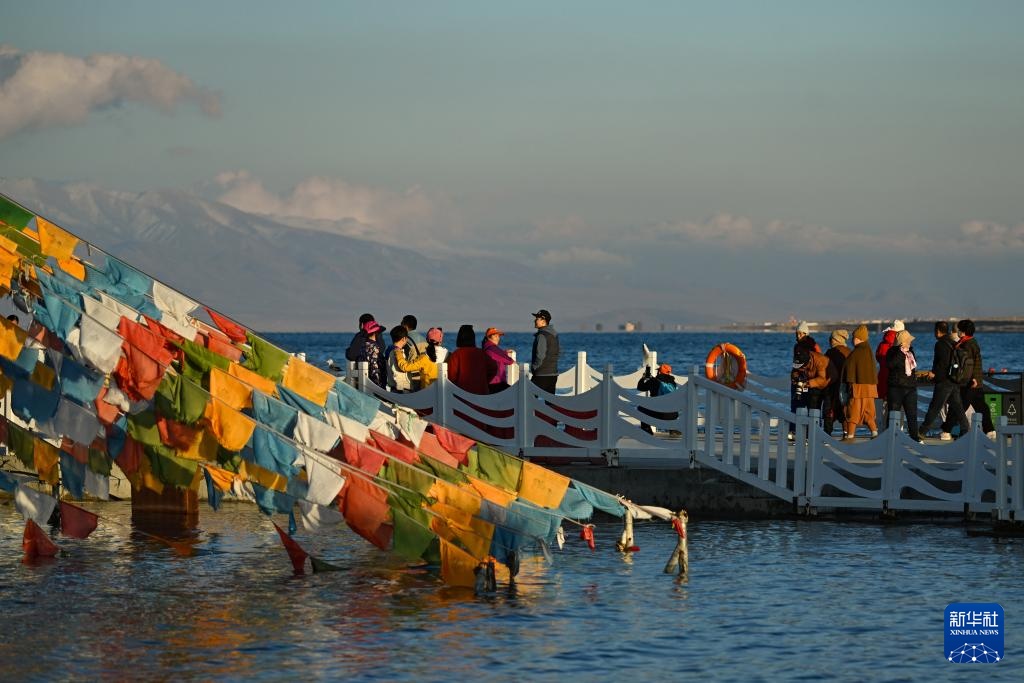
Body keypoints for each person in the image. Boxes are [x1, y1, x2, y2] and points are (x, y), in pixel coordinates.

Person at [941, 319, 996, 439]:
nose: (958, 331)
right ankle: (990, 430)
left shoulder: (968, 344)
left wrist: (975, 379)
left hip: (970, 382)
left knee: (958, 406)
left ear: (964, 331)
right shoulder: (966, 342)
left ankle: (946, 431)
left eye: (959, 330)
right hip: (973, 382)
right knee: (981, 407)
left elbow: (971, 364)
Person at [918, 320, 970, 440]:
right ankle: (966, 429)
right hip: (954, 380)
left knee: (934, 407)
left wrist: (934, 374)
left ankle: (921, 432)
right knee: (958, 407)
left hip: (944, 382)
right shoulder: (952, 342)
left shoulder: (940, 344)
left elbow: (942, 364)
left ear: (937, 331)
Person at [885, 330, 923, 443]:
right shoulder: (892, 351)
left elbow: (912, 369)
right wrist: (899, 352)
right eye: (908, 341)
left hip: (910, 388)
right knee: (893, 414)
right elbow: (890, 365)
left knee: (912, 415)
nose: (910, 342)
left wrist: (906, 352)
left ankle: (914, 438)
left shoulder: (911, 352)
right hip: (896, 388)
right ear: (902, 342)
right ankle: (890, 438)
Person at [842, 325, 879, 440]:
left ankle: (850, 436)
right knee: (868, 412)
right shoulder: (868, 351)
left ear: (859, 338)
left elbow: (849, 369)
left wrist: (847, 384)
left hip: (858, 388)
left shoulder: (857, 352)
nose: (852, 340)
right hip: (870, 388)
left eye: (854, 337)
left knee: (853, 411)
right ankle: (874, 433)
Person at [789, 336, 829, 439]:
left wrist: (807, 383)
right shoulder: (799, 357)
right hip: (810, 382)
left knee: (814, 408)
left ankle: (815, 433)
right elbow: (795, 371)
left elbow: (822, 379)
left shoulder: (820, 360)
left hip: (824, 385)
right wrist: (796, 379)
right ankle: (799, 432)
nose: (801, 368)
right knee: (799, 406)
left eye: (802, 366)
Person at [446, 324, 494, 395]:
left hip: (462, 396)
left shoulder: (456, 355)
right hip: (481, 395)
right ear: (473, 338)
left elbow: (451, 377)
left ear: (459, 338)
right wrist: (484, 381)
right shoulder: (482, 353)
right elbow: (494, 368)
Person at [636, 363, 679, 435]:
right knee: (668, 405)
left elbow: (640, 387)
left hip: (659, 414)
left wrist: (643, 378)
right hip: (673, 415)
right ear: (669, 372)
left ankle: (647, 430)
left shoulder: (653, 381)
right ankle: (673, 429)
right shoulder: (673, 383)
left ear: (659, 372)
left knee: (641, 408)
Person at [823, 329, 851, 436]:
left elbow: (824, 369)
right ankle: (846, 433)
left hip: (832, 386)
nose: (829, 341)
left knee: (829, 411)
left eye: (831, 339)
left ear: (835, 340)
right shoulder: (849, 351)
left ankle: (827, 434)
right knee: (844, 411)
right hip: (846, 386)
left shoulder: (830, 353)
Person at [345, 318, 386, 388]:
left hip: (363, 381)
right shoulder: (374, 347)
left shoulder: (363, 346)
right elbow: (375, 369)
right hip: (374, 384)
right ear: (376, 333)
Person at [875, 320, 904, 418]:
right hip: (896, 379)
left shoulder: (882, 344)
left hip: (883, 376)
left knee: (882, 407)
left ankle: (882, 430)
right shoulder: (900, 344)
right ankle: (896, 430)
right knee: (896, 408)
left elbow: (878, 357)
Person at [531, 309, 560, 394]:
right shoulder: (554, 334)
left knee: (529, 397)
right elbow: (558, 352)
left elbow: (540, 356)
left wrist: (534, 368)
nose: (535, 320)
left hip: (541, 374)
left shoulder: (541, 335)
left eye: (537, 318)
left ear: (543, 321)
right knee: (550, 403)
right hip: (553, 374)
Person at [482, 327, 516, 393]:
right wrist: (508, 356)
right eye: (495, 336)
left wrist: (504, 352)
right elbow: (509, 361)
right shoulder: (492, 348)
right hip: (496, 382)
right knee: (515, 394)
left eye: (498, 336)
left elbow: (497, 355)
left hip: (489, 382)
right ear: (489, 337)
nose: (498, 338)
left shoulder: (486, 347)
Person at [386, 326, 414, 392]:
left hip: (392, 387)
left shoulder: (388, 349)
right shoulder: (398, 353)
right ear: (404, 338)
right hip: (401, 389)